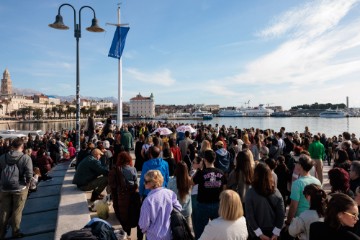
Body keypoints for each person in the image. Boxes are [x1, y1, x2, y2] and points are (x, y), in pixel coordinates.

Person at [0, 138, 33, 239]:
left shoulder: (2, 157)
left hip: (4, 187)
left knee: (3, 211)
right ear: (22, 147)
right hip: (20, 188)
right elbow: (29, 174)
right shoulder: (25, 158)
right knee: (17, 211)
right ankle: (15, 232)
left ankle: (0, 233)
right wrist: (27, 184)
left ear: (12, 146)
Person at [192, 150, 227, 239]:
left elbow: (190, 183)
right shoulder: (221, 172)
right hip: (217, 204)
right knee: (219, 229)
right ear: (214, 160)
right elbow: (224, 189)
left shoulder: (201, 173)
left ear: (204, 160)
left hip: (203, 205)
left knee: (200, 230)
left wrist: (198, 169)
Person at [138, 170, 182, 240]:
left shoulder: (148, 200)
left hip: (153, 236)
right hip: (169, 235)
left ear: (152, 182)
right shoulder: (170, 193)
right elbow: (178, 209)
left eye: (146, 181)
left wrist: (144, 231)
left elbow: (144, 224)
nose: (144, 183)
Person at [245, 162, 285, 240]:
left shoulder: (250, 193)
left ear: (255, 174)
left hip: (256, 233)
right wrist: (276, 233)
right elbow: (281, 214)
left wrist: (260, 234)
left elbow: (250, 216)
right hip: (273, 232)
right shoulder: (277, 192)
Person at [108, 152, 138, 236]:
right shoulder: (133, 169)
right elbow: (136, 184)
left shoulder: (115, 169)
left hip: (120, 195)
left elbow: (111, 185)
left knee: (122, 214)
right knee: (131, 213)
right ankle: (129, 233)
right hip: (131, 195)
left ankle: (125, 233)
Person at [286, 154, 321, 225]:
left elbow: (293, 206)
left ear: (300, 166)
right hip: (314, 217)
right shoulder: (317, 181)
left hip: (300, 218)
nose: (295, 164)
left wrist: (288, 222)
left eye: (297, 163)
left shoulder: (297, 183)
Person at [168, 161, 193, 230]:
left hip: (175, 212)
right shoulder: (190, 180)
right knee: (187, 233)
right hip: (187, 211)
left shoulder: (171, 181)